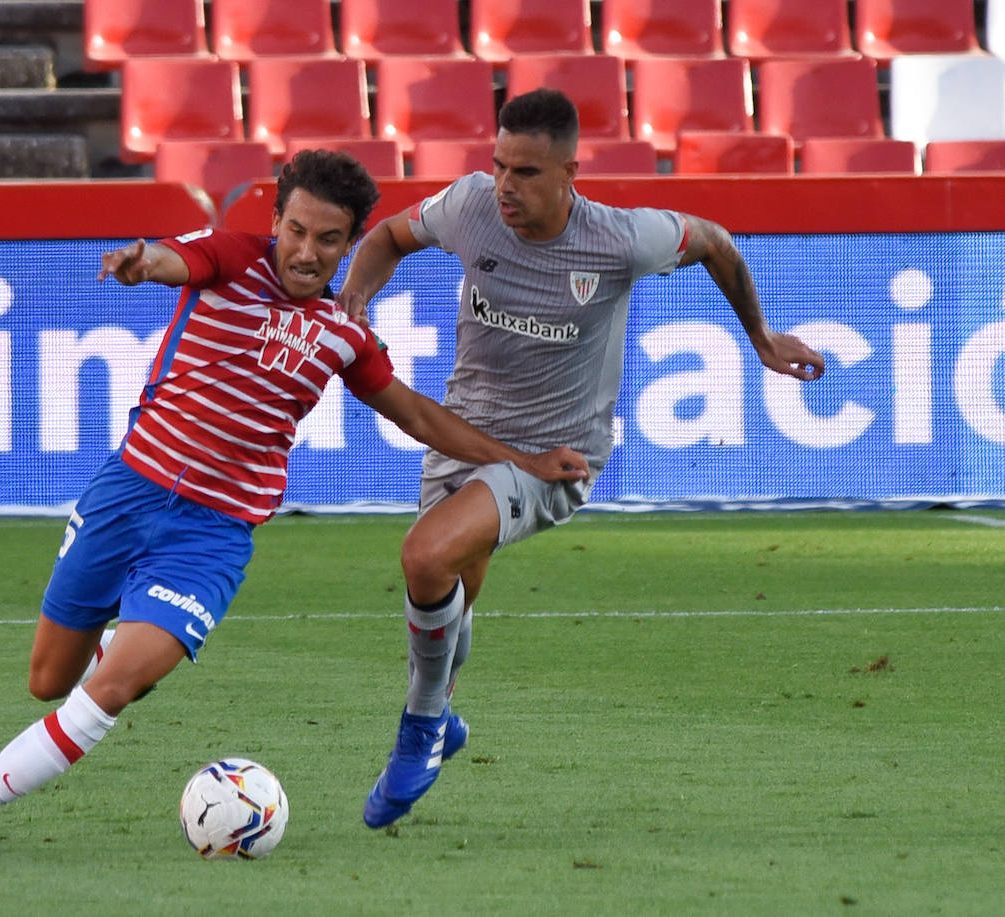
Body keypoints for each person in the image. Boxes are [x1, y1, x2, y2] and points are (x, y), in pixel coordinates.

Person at [0, 149, 592, 854]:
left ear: (351, 244)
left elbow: (417, 414)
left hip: (211, 537)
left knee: (109, 690)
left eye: (328, 239)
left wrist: (526, 462)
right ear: (276, 221)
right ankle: (122, 637)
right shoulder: (232, 257)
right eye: (296, 230)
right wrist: (143, 263)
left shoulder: (345, 335)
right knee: (49, 680)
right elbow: (174, 259)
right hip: (126, 495)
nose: (307, 251)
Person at [337, 89, 827, 828]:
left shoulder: (621, 241)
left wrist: (759, 336)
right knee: (449, 593)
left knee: (425, 557)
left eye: (526, 172)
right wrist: (354, 298)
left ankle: (420, 727)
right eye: (499, 165)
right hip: (462, 440)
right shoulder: (470, 206)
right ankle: (441, 718)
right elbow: (386, 238)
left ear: (570, 172)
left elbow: (716, 242)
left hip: (553, 461)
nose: (505, 185)